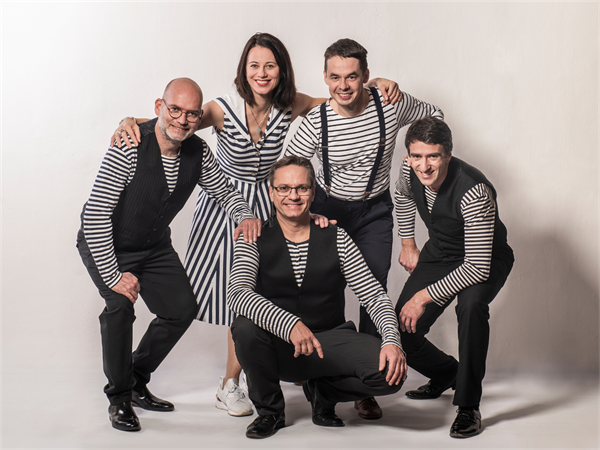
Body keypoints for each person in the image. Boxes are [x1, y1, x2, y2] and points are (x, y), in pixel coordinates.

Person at [112, 33, 402, 418]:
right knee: (226, 297)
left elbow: (338, 98)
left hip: (271, 205)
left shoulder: (292, 103)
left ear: (282, 70)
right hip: (225, 206)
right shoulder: (221, 108)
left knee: (264, 292)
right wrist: (130, 120)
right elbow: (176, 121)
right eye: (254, 65)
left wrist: (375, 84)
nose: (261, 73)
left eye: (270, 65)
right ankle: (225, 383)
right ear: (243, 69)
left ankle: (242, 378)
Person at [77, 78, 262, 432]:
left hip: (153, 246)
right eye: (175, 109)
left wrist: (245, 215)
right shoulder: (129, 146)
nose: (182, 119)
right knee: (119, 307)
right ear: (159, 107)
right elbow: (96, 215)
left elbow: (225, 191)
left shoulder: (198, 151)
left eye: (192, 114)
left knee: (181, 309)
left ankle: (135, 379)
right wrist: (114, 275)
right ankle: (119, 398)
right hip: (107, 243)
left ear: (199, 117)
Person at [284, 37, 444, 419]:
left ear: (366, 76)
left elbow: (434, 116)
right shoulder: (315, 122)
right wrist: (306, 211)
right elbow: (289, 170)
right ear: (325, 77)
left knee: (372, 287)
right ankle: (327, 371)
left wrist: (414, 161)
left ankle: (365, 379)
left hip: (374, 211)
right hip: (327, 210)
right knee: (327, 289)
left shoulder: (389, 105)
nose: (343, 86)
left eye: (352, 76)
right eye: (335, 77)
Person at [227, 155, 406, 439]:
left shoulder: (337, 236)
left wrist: (392, 340)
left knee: (391, 374)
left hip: (329, 341)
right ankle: (270, 412)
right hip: (279, 346)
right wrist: (289, 325)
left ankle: (324, 392)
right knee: (244, 327)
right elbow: (238, 294)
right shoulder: (253, 237)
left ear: (313, 192)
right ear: (271, 193)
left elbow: (374, 296)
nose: (293, 196)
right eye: (284, 188)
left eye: (302, 188)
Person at [394, 117, 514, 438]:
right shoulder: (409, 168)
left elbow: (476, 267)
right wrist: (408, 243)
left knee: (471, 306)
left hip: (485, 258)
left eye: (433, 156)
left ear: (448, 154)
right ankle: (448, 373)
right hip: (441, 252)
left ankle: (468, 405)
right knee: (401, 329)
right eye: (417, 156)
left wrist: (423, 297)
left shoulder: (474, 191)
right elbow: (402, 195)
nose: (424, 166)